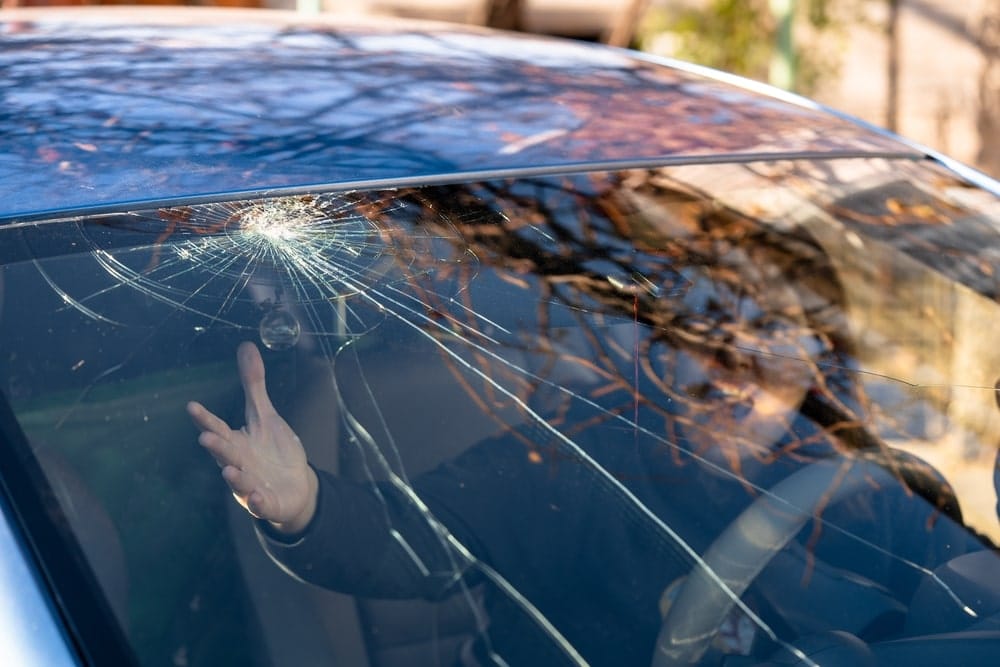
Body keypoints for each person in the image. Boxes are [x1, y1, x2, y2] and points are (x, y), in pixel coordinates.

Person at [187, 236, 987, 666]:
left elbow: (963, 593)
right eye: (703, 336)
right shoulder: (577, 460)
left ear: (818, 360)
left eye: (771, 339)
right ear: (657, 350)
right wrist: (306, 507)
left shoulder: (862, 481)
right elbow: (413, 538)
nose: (734, 366)